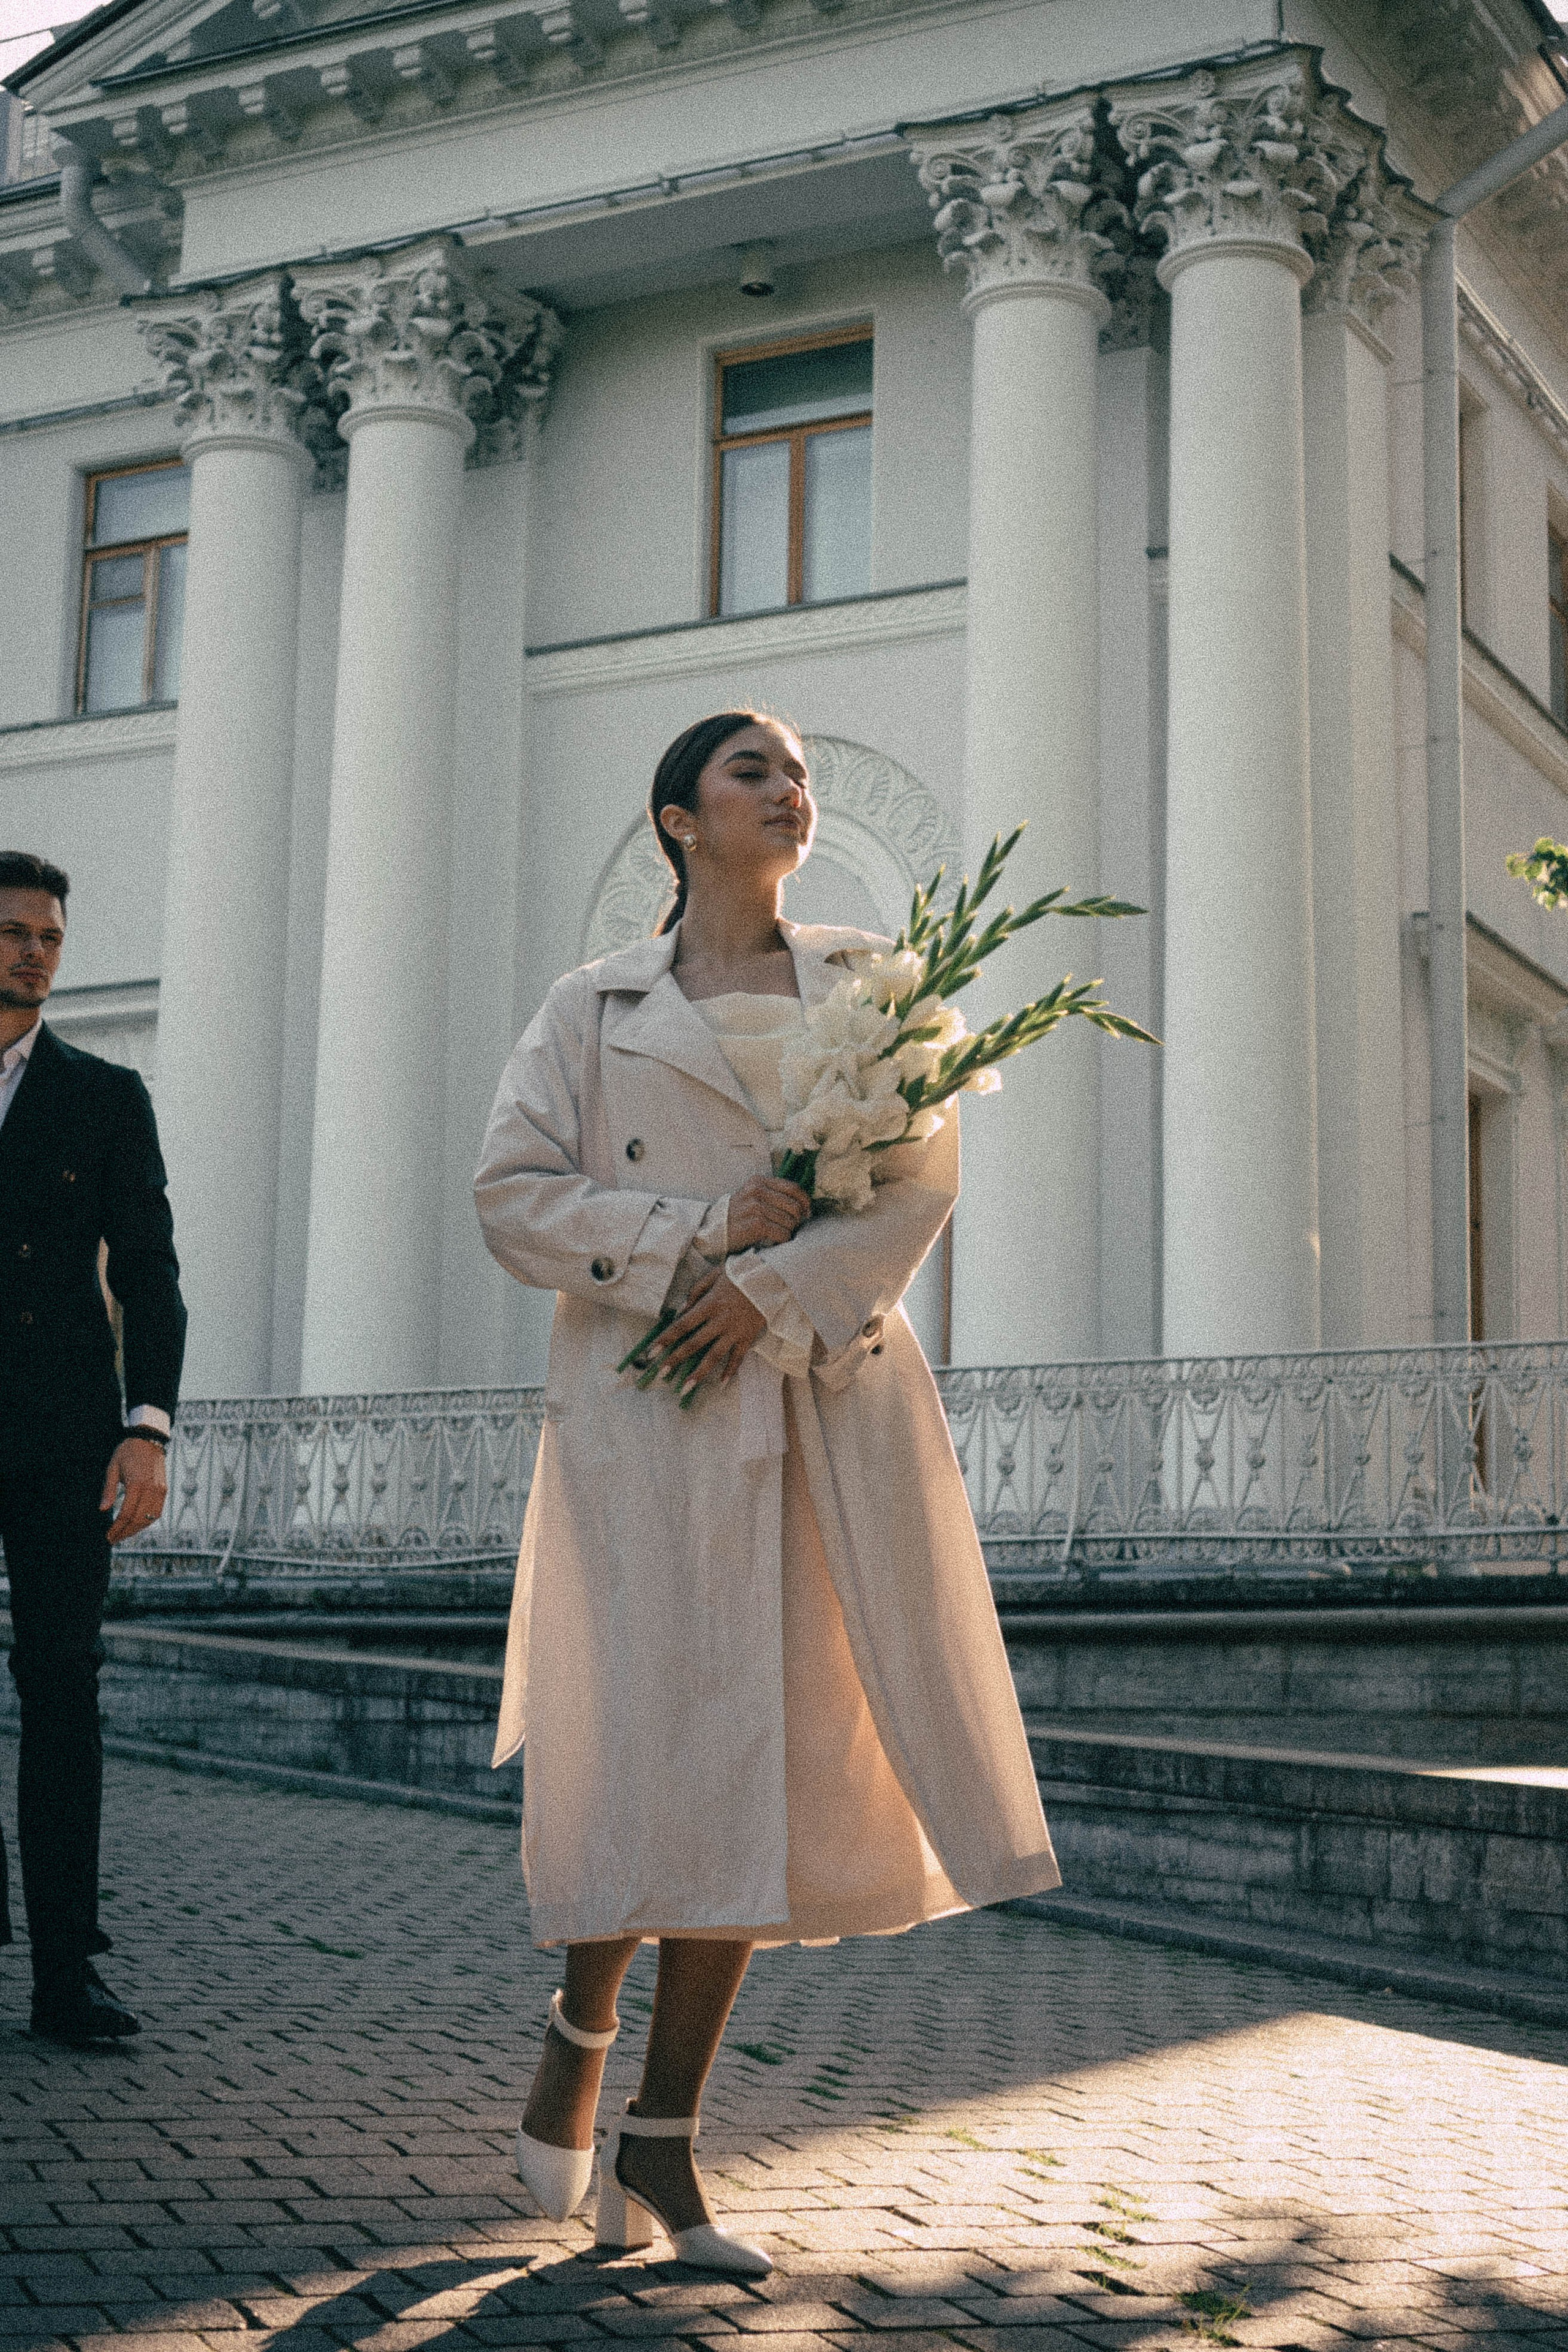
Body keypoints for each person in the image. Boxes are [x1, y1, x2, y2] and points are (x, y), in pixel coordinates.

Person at [473, 712, 1058, 2273]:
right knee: (641, 1738)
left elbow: (918, 1183)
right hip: (647, 1408)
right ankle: (579, 2031)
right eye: (754, 771)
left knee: (764, 1752)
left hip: (815, 1397)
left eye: (798, 773)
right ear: (677, 818)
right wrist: (690, 1238)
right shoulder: (591, 1006)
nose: (790, 791)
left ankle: (661, 2145)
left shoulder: (875, 987)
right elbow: (512, 1199)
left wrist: (776, 1290)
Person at [0, 851, 186, 2045]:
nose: (36, 952)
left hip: (63, 1435)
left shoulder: (104, 1096)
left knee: (63, 1691)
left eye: (52, 937)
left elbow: (152, 1275)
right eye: (16, 931)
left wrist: (146, 1430)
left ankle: (67, 1971)